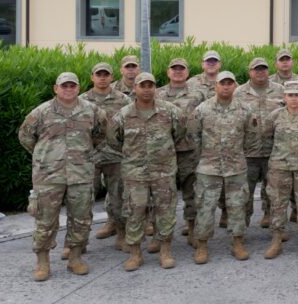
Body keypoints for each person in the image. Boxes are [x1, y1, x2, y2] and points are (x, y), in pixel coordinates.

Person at [19, 72, 106, 281]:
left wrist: (85, 155)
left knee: (81, 219)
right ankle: (42, 262)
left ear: (78, 88)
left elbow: (102, 135)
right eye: (64, 86)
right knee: (45, 220)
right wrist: (45, 156)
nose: (69, 89)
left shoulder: (92, 111)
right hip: (49, 176)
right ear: (55, 88)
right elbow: (25, 136)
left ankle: (75, 258)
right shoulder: (41, 112)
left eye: (72, 86)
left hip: (81, 174)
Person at [110, 72, 184, 271]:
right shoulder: (123, 115)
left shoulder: (170, 112)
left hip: (163, 172)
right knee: (135, 212)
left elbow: (179, 133)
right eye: (142, 85)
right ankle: (135, 254)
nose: (147, 89)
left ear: (155, 88)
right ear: (135, 88)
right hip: (135, 174)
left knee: (165, 211)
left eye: (150, 85)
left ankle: (165, 251)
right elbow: (114, 140)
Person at [190, 71, 253, 263]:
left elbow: (250, 136)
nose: (226, 86)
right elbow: (194, 137)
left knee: (237, 206)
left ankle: (238, 242)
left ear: (235, 86)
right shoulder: (202, 109)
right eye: (222, 83)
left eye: (229, 83)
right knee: (205, 207)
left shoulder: (245, 109)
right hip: (209, 168)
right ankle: (201, 245)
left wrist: (237, 154)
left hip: (236, 167)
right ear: (215, 86)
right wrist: (204, 158)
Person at [262, 82, 298, 258]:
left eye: (297, 95)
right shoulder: (275, 116)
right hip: (280, 167)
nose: (294, 98)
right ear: (284, 97)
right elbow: (266, 137)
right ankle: (276, 240)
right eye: (290, 95)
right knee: (278, 203)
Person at [157, 57, 208, 242]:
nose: (178, 71)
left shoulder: (200, 93)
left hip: (191, 150)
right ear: (168, 72)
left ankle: (192, 228)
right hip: (164, 151)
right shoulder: (157, 94)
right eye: (174, 68)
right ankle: (161, 235)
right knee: (162, 194)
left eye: (182, 69)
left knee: (192, 192)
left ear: (187, 72)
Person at [81, 63, 129, 248]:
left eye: (106, 74)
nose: (102, 77)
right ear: (92, 77)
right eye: (98, 74)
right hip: (89, 157)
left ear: (111, 77)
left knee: (119, 196)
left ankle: (121, 234)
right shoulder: (82, 100)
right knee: (84, 199)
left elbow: (129, 125)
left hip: (114, 155)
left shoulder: (123, 100)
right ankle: (78, 241)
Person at [236, 57, 284, 229]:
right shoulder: (239, 93)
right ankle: (240, 229)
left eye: (263, 68)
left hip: (274, 151)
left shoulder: (280, 91)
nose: (260, 72)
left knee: (274, 192)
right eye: (256, 69)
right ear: (250, 72)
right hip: (248, 152)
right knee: (244, 193)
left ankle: (274, 223)